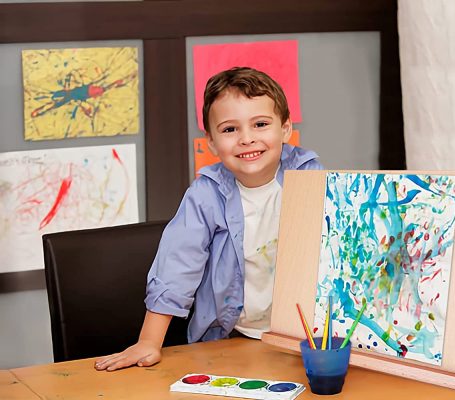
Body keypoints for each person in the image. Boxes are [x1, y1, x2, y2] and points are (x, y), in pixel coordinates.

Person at [94, 67, 322, 371]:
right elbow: (177, 266)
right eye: (230, 129)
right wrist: (149, 342)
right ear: (211, 142)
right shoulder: (205, 195)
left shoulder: (309, 174)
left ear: (285, 128)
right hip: (232, 337)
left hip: (307, 338)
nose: (246, 139)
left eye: (260, 124)